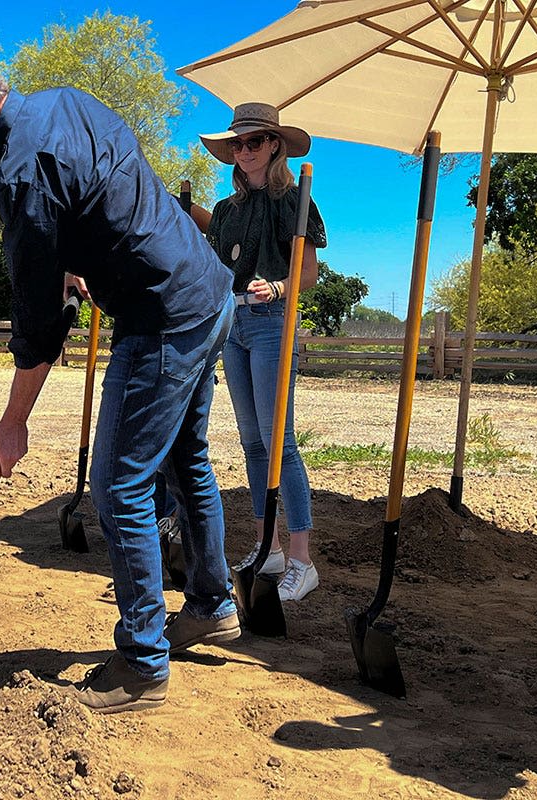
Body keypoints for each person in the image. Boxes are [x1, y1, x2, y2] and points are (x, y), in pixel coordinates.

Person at [0, 48, 239, 714]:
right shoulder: (63, 101)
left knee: (120, 485)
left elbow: (37, 323)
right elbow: (111, 188)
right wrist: (86, 258)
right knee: (186, 461)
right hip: (207, 292)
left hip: (160, 314)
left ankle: (142, 665)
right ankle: (211, 605)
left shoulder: (20, 174)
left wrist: (14, 420)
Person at [199, 103, 327, 602]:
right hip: (234, 324)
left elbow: (309, 276)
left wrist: (276, 287)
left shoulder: (294, 201)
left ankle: (301, 558)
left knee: (280, 442)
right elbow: (216, 263)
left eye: (254, 141)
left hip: (273, 322)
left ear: (274, 145)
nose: (244, 150)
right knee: (252, 441)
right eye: (238, 143)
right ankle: (266, 547)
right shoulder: (227, 211)